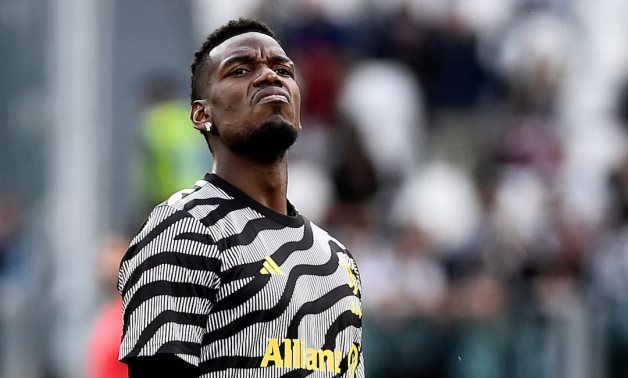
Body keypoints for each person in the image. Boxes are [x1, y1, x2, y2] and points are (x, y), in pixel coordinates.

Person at [117, 18, 364, 378]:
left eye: (282, 69)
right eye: (241, 70)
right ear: (202, 114)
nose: (269, 77)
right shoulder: (183, 230)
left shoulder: (337, 258)